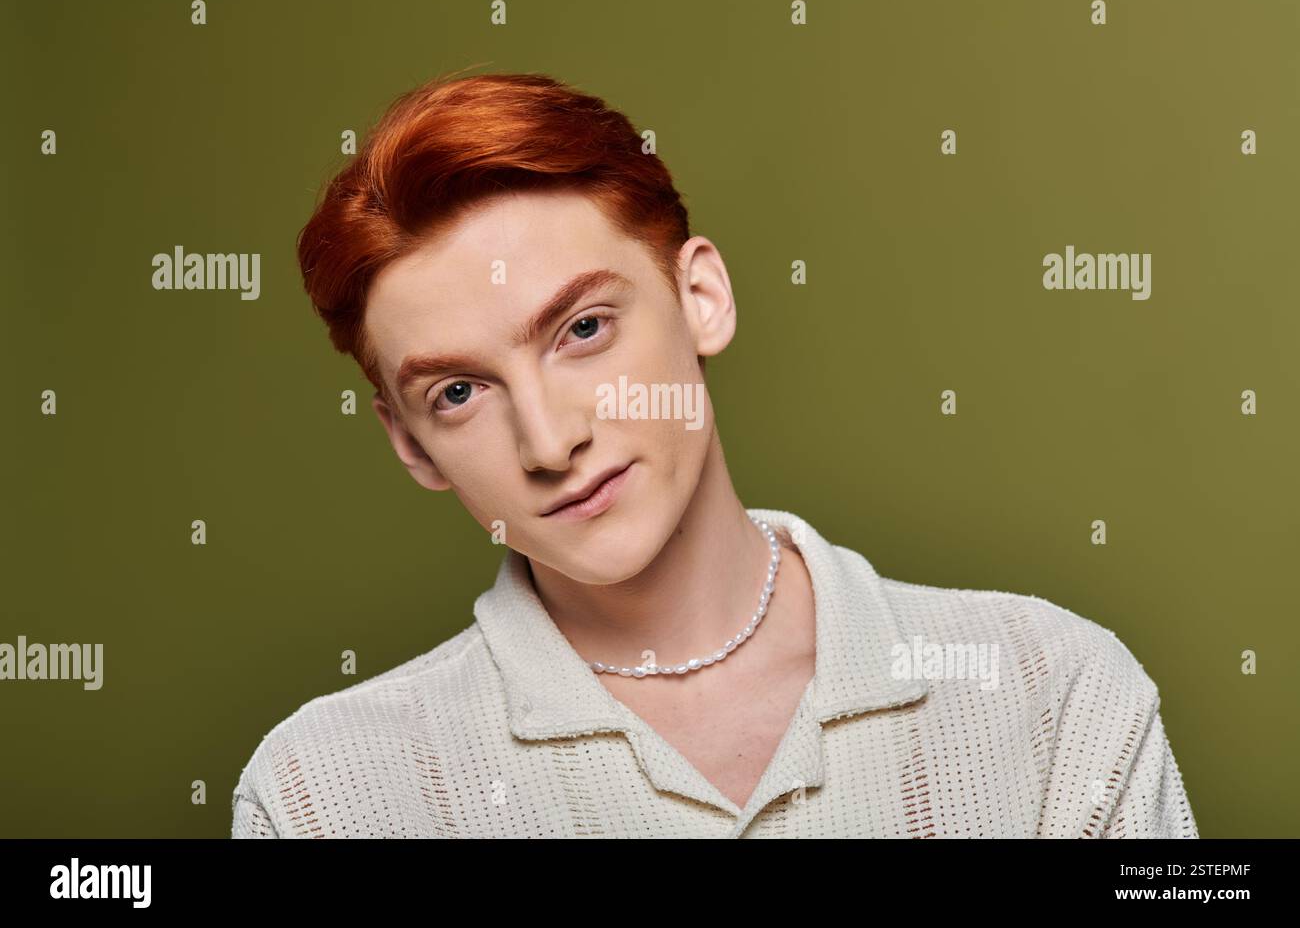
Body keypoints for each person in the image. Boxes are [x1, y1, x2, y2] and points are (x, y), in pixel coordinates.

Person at [231, 71, 1198, 838]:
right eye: (458, 392)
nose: (550, 441)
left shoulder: (1049, 691)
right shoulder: (325, 794)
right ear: (410, 442)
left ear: (702, 299)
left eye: (582, 329)